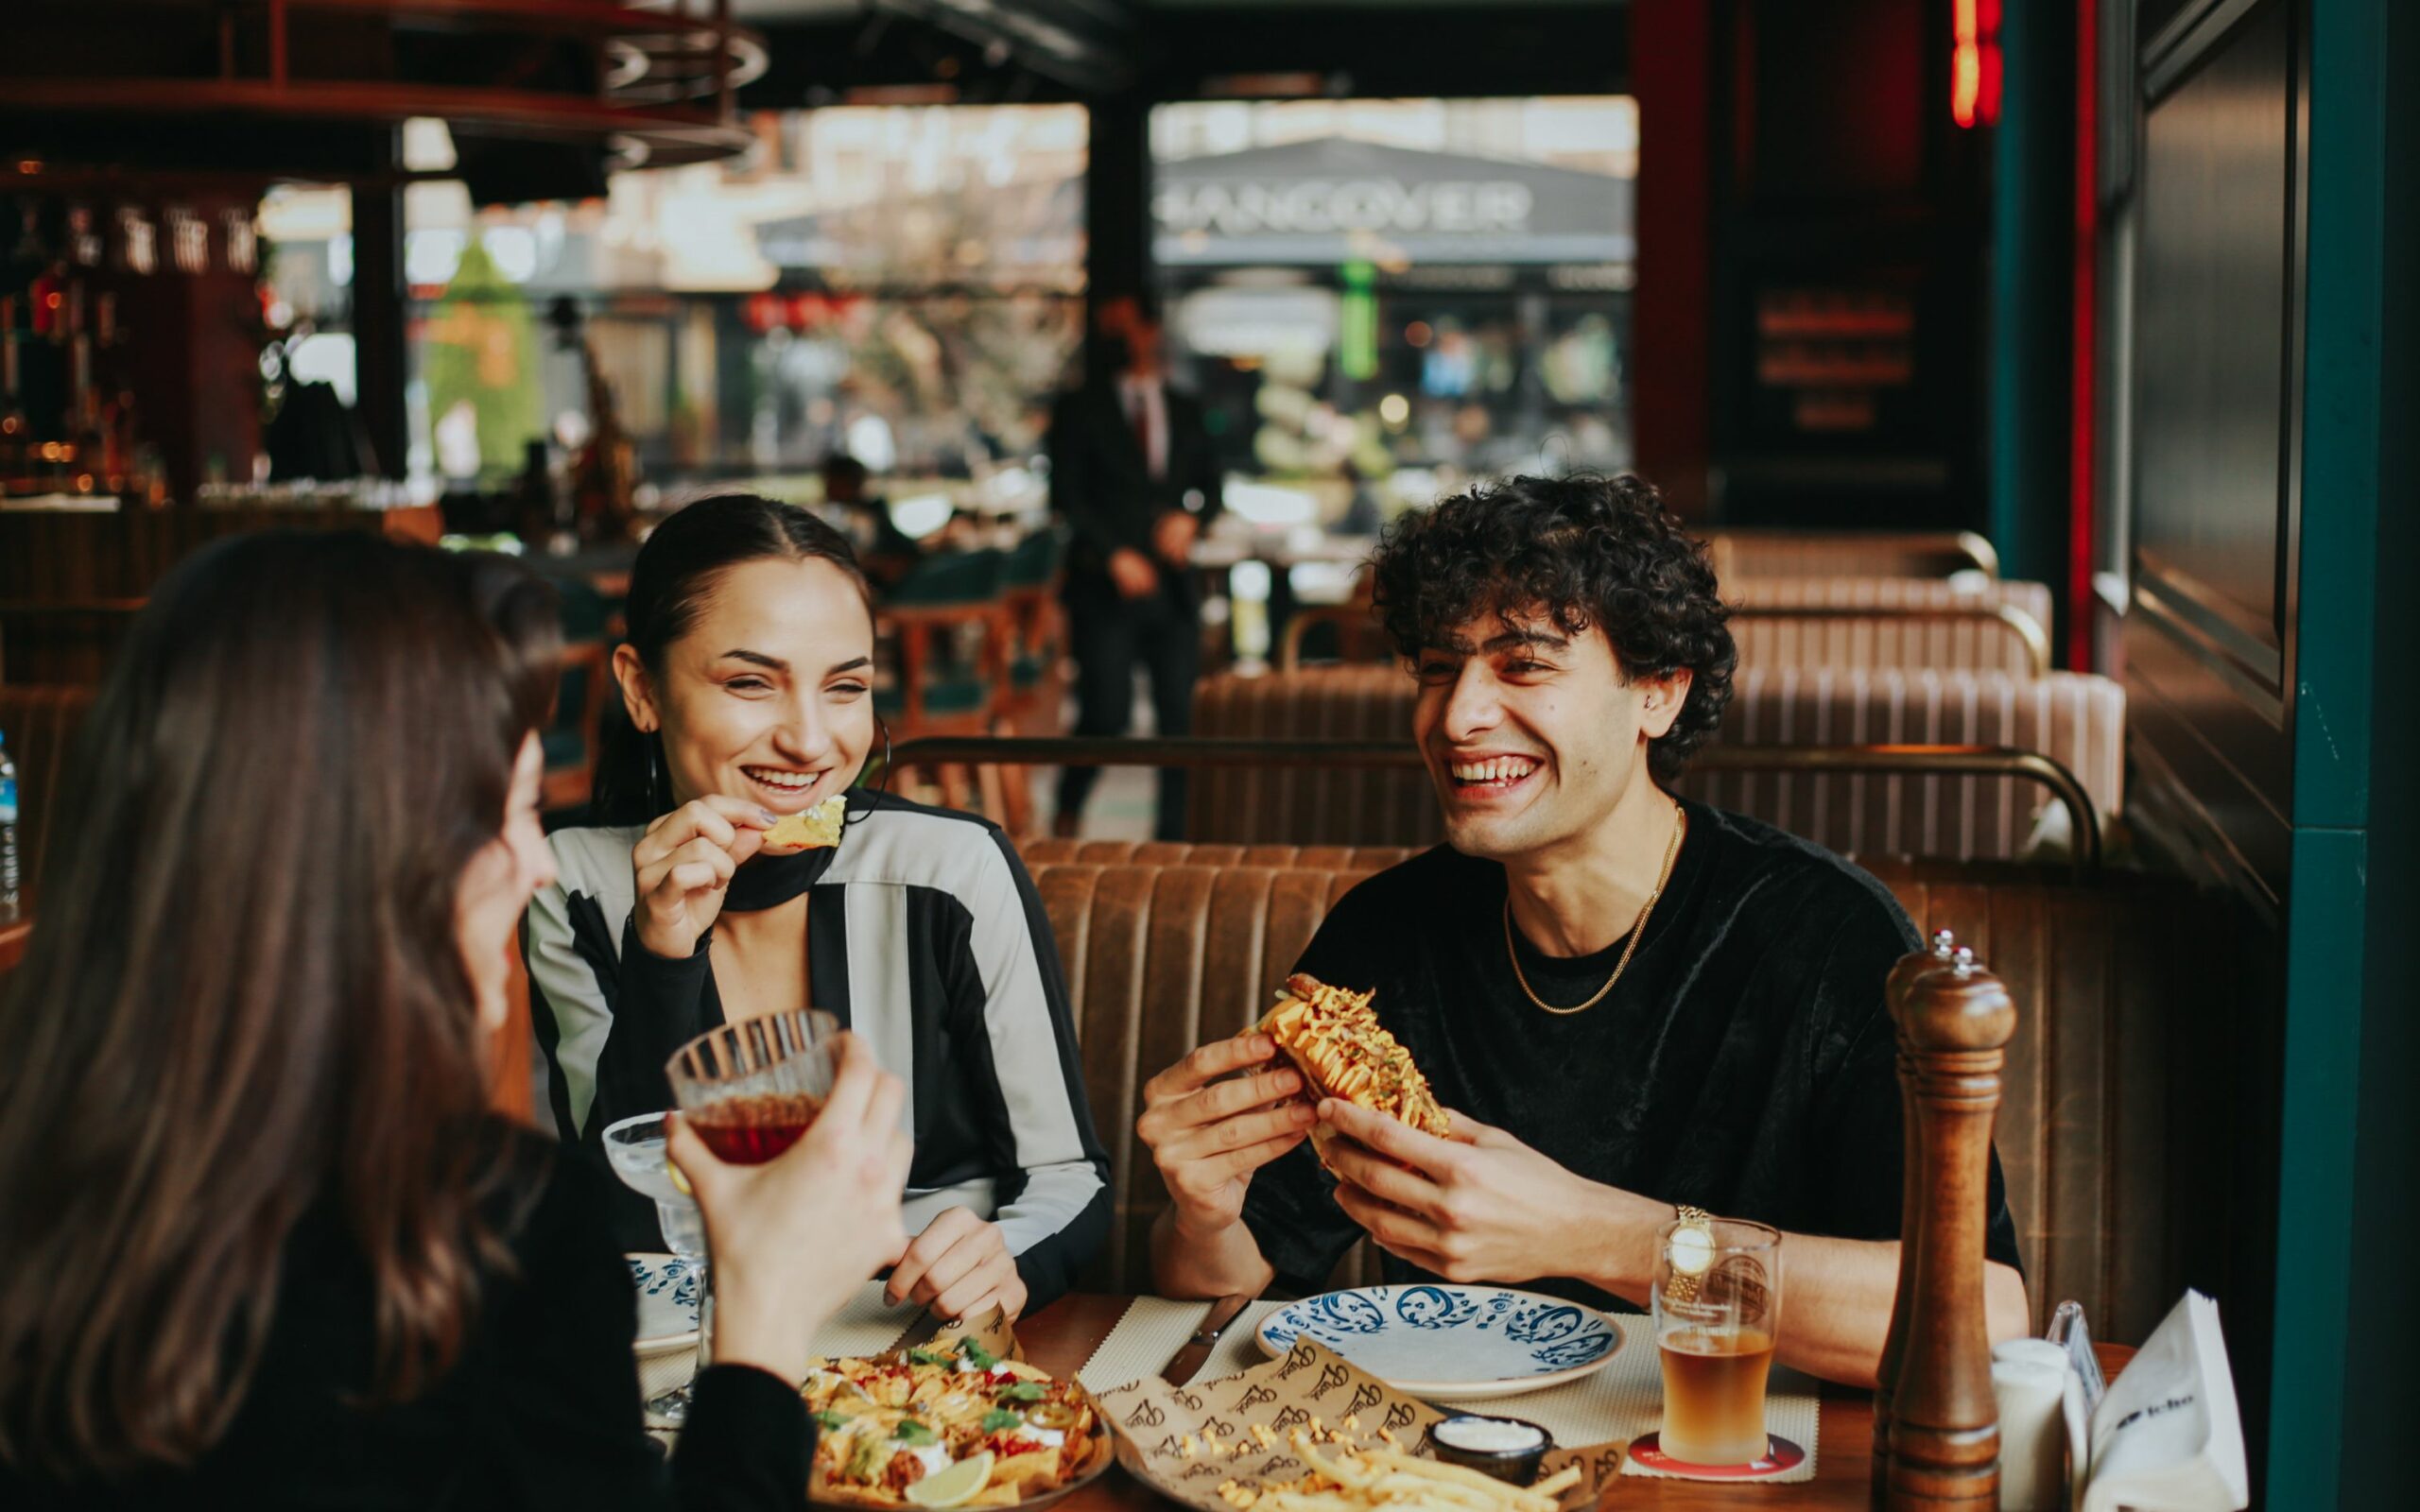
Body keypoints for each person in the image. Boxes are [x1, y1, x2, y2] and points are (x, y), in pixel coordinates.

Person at [0, 532, 912, 1508]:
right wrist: (765, 1315)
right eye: (509, 813)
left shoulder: (47, 1186)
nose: (535, 863)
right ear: (362, 849)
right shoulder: (489, 1243)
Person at [1134, 474, 2029, 1387]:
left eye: (1524, 665)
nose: (1456, 716)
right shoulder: (1388, 937)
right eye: (1439, 668)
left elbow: (1983, 1315)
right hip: (1448, 1448)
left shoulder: (1827, 937)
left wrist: (1597, 1236)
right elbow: (1228, 1280)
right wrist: (1203, 1215)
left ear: (1660, 693)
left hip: (1738, 1441)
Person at [525, 494, 1108, 1322]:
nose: (808, 740)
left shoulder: (951, 870)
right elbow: (628, 1225)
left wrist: (999, 1260)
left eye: (845, 687)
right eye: (750, 683)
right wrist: (662, 958)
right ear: (642, 689)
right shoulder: (574, 888)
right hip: (703, 1348)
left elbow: (1067, 1179)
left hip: (925, 1342)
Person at [1046, 292, 1223, 840]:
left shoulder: (1184, 406)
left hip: (1173, 588)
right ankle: (1068, 812)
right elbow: (1066, 495)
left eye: (1125, 328)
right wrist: (1114, 554)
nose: (1117, 340)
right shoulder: (1079, 408)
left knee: (1180, 720)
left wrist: (1190, 520)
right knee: (1105, 713)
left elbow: (1212, 487)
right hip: (1103, 588)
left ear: (1150, 329)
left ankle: (1173, 837)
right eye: (1108, 331)